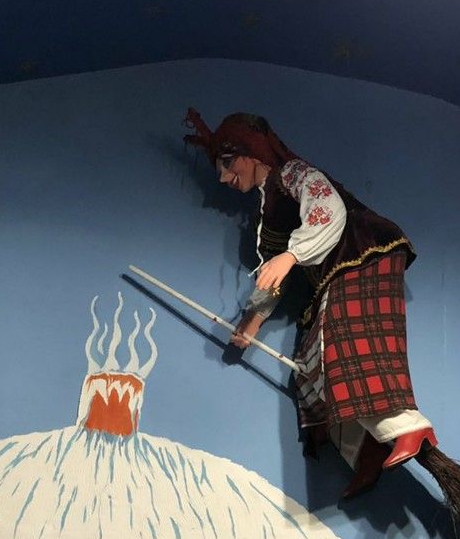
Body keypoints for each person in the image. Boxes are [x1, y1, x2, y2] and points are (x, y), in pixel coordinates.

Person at [183, 109, 438, 498]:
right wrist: (251, 324)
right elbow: (274, 273)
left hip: (362, 256)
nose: (223, 177)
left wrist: (291, 256)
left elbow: (328, 210)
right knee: (308, 369)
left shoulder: (292, 174)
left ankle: (409, 427)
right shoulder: (268, 214)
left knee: (345, 343)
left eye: (228, 163)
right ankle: (364, 449)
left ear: (252, 152)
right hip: (334, 276)